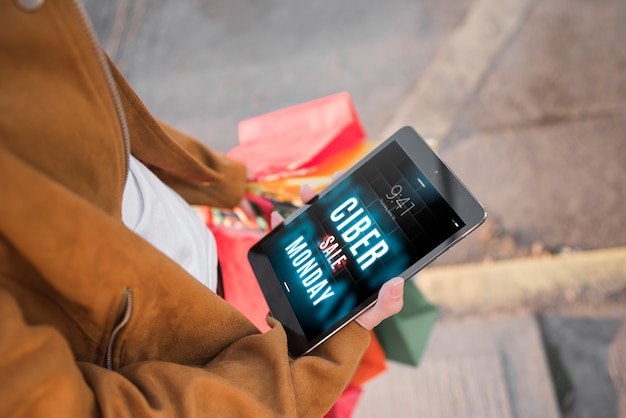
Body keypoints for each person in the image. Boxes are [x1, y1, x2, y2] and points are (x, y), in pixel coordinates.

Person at [0, 1, 404, 417]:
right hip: (199, 366)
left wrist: (226, 182)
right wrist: (308, 366)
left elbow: (92, 113)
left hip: (213, 283)